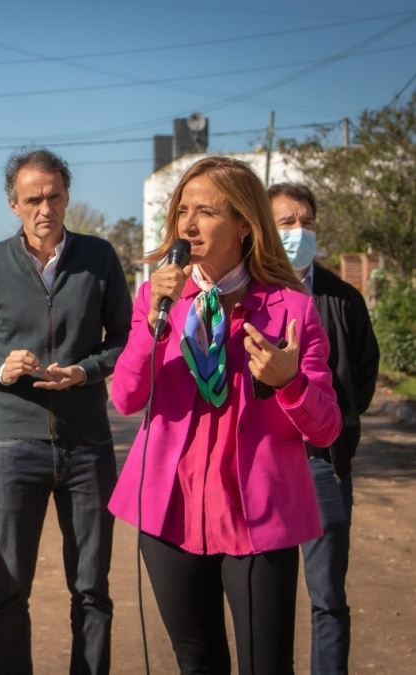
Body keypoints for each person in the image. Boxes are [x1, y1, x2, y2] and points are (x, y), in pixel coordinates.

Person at [108, 156, 342, 675]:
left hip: (256, 516)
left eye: (206, 211)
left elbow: (327, 427)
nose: (187, 225)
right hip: (170, 509)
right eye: (182, 211)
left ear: (243, 224)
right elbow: (124, 398)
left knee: (267, 665)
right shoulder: (155, 298)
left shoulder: (291, 309)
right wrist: (152, 327)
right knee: (198, 663)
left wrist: (290, 382)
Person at [0, 148, 133, 674]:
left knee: (92, 588)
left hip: (87, 444)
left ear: (68, 196)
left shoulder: (99, 258)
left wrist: (88, 370)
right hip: (13, 447)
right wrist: (0, 370)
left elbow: (126, 337)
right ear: (13, 204)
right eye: (32, 199)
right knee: (9, 588)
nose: (44, 207)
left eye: (54, 196)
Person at [268, 182, 380, 674]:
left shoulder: (344, 298)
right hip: (264, 467)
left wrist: (337, 425)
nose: (298, 232)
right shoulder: (249, 297)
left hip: (323, 466)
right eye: (286, 223)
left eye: (306, 222)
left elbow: (363, 374)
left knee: (328, 597)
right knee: (265, 600)